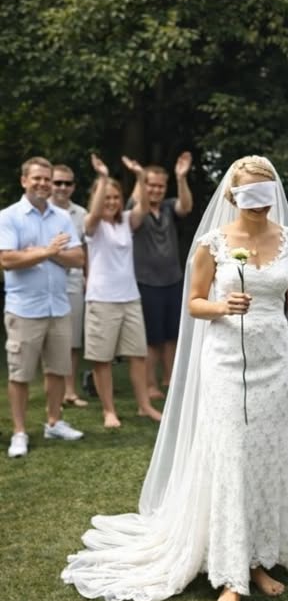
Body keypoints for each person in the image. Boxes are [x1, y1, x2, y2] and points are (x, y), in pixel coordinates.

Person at [62, 155, 288, 601]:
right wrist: (223, 307)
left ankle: (259, 558)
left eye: (267, 193)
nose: (260, 203)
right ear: (232, 196)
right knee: (231, 456)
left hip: (275, 360)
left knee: (267, 457)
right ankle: (229, 573)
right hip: (225, 361)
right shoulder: (212, 243)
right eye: (250, 195)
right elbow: (194, 303)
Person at [0, 156, 85, 458]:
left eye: (47, 179)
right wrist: (50, 251)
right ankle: (19, 432)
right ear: (24, 180)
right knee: (20, 375)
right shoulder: (9, 217)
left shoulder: (61, 217)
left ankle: (54, 422)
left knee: (58, 370)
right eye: (37, 178)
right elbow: (6, 259)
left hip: (58, 307)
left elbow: (78, 259)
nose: (43, 183)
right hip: (24, 309)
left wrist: (44, 253)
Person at [83, 154, 162, 428]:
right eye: (106, 197)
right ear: (97, 199)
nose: (112, 202)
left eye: (116, 197)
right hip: (101, 300)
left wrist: (140, 175)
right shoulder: (92, 225)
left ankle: (144, 406)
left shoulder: (127, 221)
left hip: (130, 298)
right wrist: (104, 177)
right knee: (102, 359)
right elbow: (95, 213)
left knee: (138, 355)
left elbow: (142, 205)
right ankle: (109, 411)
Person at [130, 153, 193, 399]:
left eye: (160, 186)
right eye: (151, 185)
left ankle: (170, 380)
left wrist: (181, 177)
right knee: (151, 339)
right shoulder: (135, 208)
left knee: (172, 336)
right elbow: (136, 212)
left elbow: (185, 207)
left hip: (172, 280)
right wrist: (139, 177)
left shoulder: (167, 207)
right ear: (143, 185)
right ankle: (149, 385)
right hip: (146, 282)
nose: (156, 190)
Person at [50, 163, 89, 408]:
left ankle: (70, 391)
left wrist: (88, 277)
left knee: (72, 340)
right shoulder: (41, 211)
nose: (62, 187)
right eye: (58, 182)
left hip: (74, 280)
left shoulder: (81, 213)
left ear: (73, 186)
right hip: (46, 281)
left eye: (67, 183)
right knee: (49, 339)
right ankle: (53, 393)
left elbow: (85, 251)